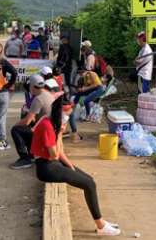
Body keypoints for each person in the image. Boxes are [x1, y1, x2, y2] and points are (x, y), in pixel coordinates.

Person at [31, 97, 121, 236]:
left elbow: (60, 153)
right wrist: (60, 133)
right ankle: (100, 225)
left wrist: (70, 166)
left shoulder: (52, 122)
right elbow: (54, 154)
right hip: (46, 167)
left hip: (52, 163)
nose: (68, 118)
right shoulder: (48, 125)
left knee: (89, 180)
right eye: (67, 115)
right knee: (89, 184)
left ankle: (101, 221)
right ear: (60, 113)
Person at [10, 74, 57, 169]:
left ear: (31, 86)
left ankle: (25, 159)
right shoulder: (47, 93)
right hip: (51, 128)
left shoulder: (38, 99)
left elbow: (27, 121)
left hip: (46, 131)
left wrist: (15, 125)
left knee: (16, 130)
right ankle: (32, 154)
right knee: (28, 126)